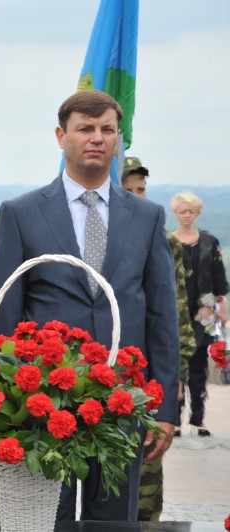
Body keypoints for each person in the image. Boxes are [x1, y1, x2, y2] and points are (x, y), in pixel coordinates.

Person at [0, 91, 180, 522]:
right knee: (43, 521)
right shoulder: (21, 213)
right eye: (85, 129)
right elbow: (3, 313)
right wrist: (1, 401)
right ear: (61, 136)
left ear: (118, 138)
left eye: (107, 130)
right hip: (42, 403)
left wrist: (165, 408)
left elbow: (162, 316)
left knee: (113, 519)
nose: (97, 138)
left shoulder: (147, 217)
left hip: (123, 401)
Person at [120, 156, 196, 521]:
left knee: (146, 478)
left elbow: (173, 315)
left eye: (142, 189)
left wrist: (175, 377)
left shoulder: (162, 240)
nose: (138, 196)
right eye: (129, 189)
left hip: (147, 379)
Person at [170, 191, 229, 438]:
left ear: (197, 213)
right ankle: (175, 420)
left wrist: (222, 304)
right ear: (175, 213)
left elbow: (218, 275)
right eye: (182, 211)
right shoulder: (167, 241)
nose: (186, 215)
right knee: (177, 365)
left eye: (190, 211)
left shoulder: (210, 241)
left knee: (198, 363)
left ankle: (198, 418)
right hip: (176, 307)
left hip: (204, 307)